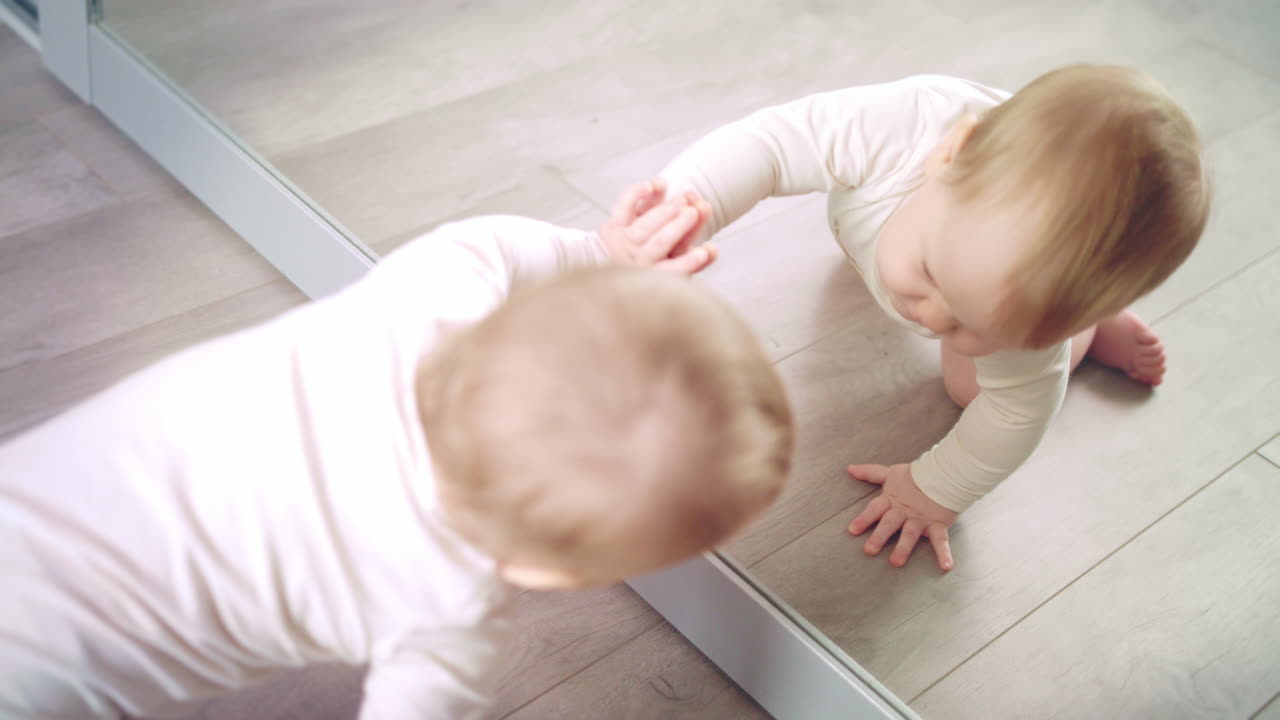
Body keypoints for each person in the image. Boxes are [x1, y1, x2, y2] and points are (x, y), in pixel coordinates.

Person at [0, 180, 795, 719]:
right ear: (552, 574)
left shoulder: (432, 303)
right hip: (51, 671)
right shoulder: (447, 618)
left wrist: (600, 255)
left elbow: (489, 246)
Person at [656, 63, 1210, 572]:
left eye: (977, 325)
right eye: (933, 274)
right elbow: (770, 146)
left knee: (976, 392)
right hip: (875, 216)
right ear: (951, 154)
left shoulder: (1021, 316)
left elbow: (1016, 417)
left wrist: (937, 488)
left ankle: (1089, 330)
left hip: (1009, 296)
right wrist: (678, 217)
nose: (933, 319)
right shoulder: (903, 127)